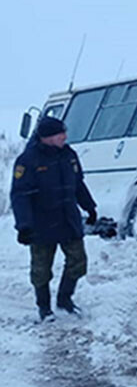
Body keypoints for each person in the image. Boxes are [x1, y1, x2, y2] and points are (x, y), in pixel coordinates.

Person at [10, 117, 97, 321]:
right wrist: (23, 226)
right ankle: (44, 308)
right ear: (47, 137)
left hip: (68, 219)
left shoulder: (69, 155)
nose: (65, 136)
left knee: (78, 262)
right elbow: (20, 195)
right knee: (41, 269)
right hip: (41, 223)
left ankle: (65, 300)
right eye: (60, 133)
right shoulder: (28, 160)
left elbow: (78, 184)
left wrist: (90, 207)